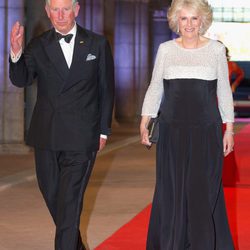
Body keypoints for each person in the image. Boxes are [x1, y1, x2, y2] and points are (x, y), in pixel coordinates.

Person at [9, 0, 114, 249]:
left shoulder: (97, 44)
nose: (60, 15)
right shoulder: (38, 44)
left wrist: (103, 130)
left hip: (82, 136)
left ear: (76, 10)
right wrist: (15, 52)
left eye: (65, 9)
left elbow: (106, 91)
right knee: (56, 200)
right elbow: (21, 79)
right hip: (47, 135)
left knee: (69, 204)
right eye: (54, 9)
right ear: (47, 12)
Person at [140, 0, 235, 249]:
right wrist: (145, 119)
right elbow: (155, 86)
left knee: (202, 193)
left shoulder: (215, 50)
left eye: (194, 18)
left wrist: (230, 129)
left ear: (202, 20)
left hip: (207, 131)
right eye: (184, 18)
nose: (189, 24)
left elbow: (224, 91)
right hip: (172, 131)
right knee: (172, 192)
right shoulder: (166, 50)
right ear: (176, 21)